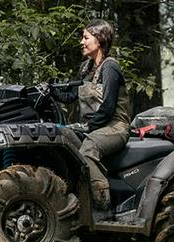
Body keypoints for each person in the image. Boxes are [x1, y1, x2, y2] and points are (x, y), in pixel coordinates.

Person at [52, 19, 131, 211]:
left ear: (100, 39)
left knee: (88, 148)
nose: (81, 41)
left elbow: (108, 107)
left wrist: (87, 127)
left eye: (86, 37)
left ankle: (102, 202)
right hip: (95, 126)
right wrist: (50, 89)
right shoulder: (86, 68)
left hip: (114, 127)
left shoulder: (110, 68)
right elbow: (70, 95)